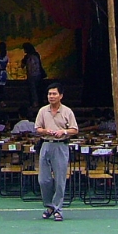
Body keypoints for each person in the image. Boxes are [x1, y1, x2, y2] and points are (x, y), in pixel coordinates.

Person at [35, 83, 78, 221]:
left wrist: (63, 131)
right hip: (46, 144)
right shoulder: (43, 111)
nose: (51, 96)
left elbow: (74, 129)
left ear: (61, 96)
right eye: (49, 94)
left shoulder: (67, 111)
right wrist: (46, 131)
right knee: (43, 179)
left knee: (60, 179)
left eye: (54, 94)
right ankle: (49, 206)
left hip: (61, 145)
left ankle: (58, 208)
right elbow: (37, 128)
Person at [22, 43, 44, 110]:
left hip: (32, 76)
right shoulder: (36, 55)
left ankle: (35, 103)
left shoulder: (28, 57)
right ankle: (38, 103)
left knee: (33, 90)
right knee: (37, 90)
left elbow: (22, 65)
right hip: (38, 75)